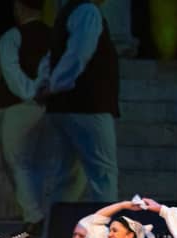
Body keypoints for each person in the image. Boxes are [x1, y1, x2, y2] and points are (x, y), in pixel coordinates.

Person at [0, 0, 84, 238]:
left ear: (18, 8)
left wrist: (31, 92)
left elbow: (12, 71)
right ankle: (41, 214)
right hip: (50, 104)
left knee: (19, 161)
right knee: (39, 162)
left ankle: (34, 217)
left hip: (22, 105)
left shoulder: (12, 36)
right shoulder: (56, 36)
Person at [38, 0, 120, 204]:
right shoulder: (87, 11)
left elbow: (52, 56)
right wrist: (55, 85)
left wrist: (46, 84)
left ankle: (57, 222)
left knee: (68, 177)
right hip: (87, 105)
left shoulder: (68, 11)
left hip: (68, 105)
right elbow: (77, 53)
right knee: (103, 175)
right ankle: (107, 224)